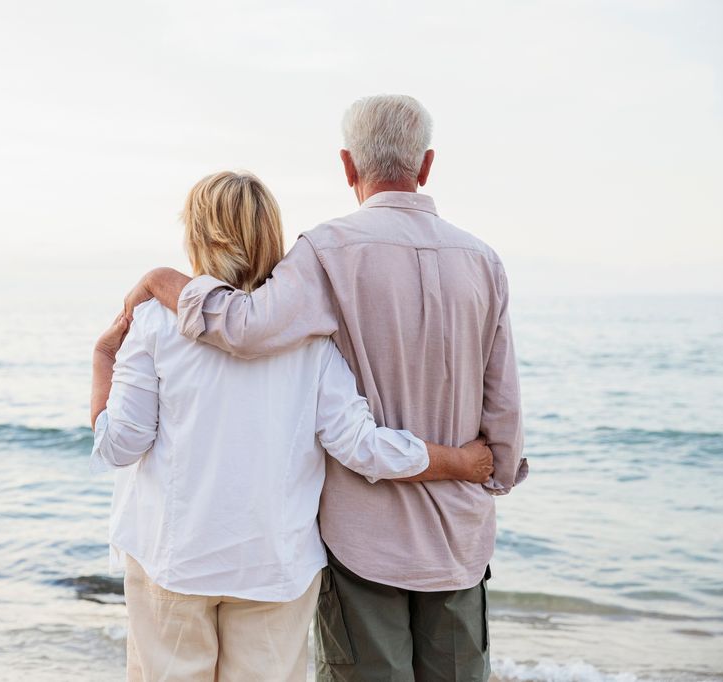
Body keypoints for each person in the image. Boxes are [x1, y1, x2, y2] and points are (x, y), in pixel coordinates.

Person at [123, 95, 527, 681]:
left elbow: (246, 326)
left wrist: (165, 282)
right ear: (427, 164)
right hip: (458, 537)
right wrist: (490, 472)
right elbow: (504, 399)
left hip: (363, 536)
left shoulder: (327, 251)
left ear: (347, 166)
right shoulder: (484, 261)